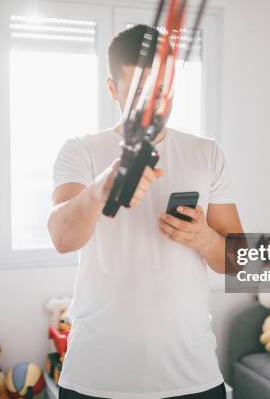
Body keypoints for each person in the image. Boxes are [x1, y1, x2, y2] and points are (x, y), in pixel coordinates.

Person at [48, 24, 243, 399]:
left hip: (192, 375)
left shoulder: (207, 153)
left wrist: (204, 238)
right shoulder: (81, 151)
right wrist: (100, 190)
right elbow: (61, 238)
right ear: (111, 89)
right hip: (96, 376)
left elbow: (238, 260)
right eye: (139, 91)